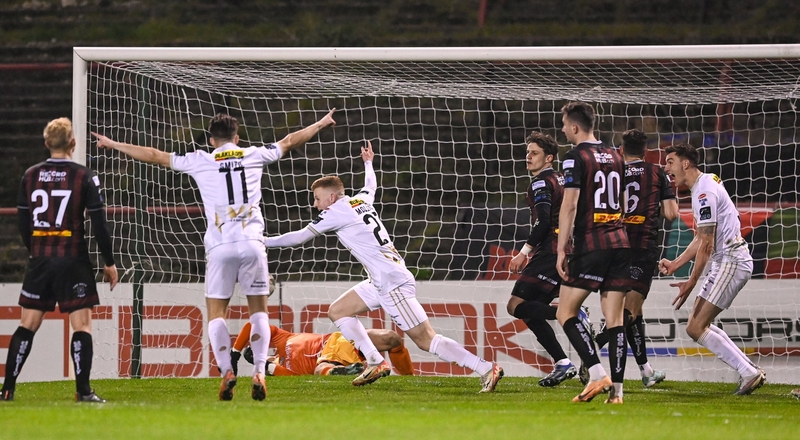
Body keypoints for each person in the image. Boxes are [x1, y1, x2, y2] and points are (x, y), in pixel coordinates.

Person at [92, 109, 336, 401]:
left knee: (216, 313)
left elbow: (154, 155)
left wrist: (114, 144)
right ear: (237, 137)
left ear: (211, 140)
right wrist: (321, 123)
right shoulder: (254, 154)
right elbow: (290, 141)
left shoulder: (200, 159)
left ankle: (226, 371)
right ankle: (259, 371)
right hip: (252, 243)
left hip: (220, 246)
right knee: (259, 312)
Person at [264, 141, 504, 393]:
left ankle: (485, 368)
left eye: (317, 198)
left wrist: (263, 241)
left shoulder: (335, 211)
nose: (315, 204)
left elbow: (299, 237)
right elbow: (371, 186)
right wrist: (368, 163)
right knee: (338, 311)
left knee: (425, 340)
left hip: (391, 282)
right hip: (381, 280)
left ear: (331, 197)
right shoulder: (360, 201)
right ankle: (375, 361)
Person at [1, 118, 118, 403]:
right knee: (82, 325)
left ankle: (7, 390)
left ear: (46, 143)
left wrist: (36, 250)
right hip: (72, 259)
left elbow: (23, 221)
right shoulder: (83, 176)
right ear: (73, 143)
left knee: (27, 324)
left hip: (40, 259)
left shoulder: (30, 175)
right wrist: (109, 261)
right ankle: (83, 391)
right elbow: (99, 223)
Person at [659, 143, 765, 395]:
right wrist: (676, 264)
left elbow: (706, 244)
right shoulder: (704, 184)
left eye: (671, 162)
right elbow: (701, 237)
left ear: (686, 163)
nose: (666, 168)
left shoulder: (704, 192)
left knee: (697, 327)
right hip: (725, 260)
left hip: (731, 260)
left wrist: (691, 281)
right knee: (695, 326)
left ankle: (748, 372)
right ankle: (749, 370)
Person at [589, 129, 678, 388]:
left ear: (621, 150)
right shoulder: (657, 173)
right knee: (629, 309)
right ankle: (594, 345)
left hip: (613, 245)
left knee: (634, 311)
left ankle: (646, 371)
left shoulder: (612, 172)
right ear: (645, 151)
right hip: (642, 245)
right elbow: (671, 214)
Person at [555, 101, 631, 404]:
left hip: (592, 243)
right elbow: (622, 202)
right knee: (616, 321)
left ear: (575, 126)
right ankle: (618, 394)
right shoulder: (617, 155)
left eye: (564, 124)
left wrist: (562, 248)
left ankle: (598, 374)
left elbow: (570, 205)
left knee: (565, 312)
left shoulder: (575, 157)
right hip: (620, 242)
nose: (563, 129)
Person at [507, 131, 592, 388]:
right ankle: (563, 363)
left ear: (549, 158)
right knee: (532, 311)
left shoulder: (541, 183)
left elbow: (543, 221)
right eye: (527, 152)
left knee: (516, 306)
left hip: (551, 251)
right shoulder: (563, 180)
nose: (528, 157)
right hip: (570, 249)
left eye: (534, 153)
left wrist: (523, 253)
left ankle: (576, 315)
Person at [230, 322, 414, 376]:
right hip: (327, 359)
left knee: (392, 338)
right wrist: (262, 364)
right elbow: (286, 376)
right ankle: (344, 371)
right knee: (321, 369)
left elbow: (254, 325)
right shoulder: (284, 370)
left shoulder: (282, 339)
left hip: (343, 339)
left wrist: (235, 353)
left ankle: (409, 378)